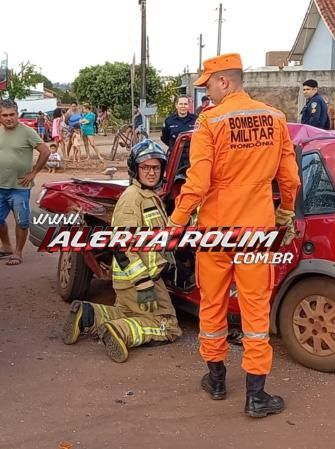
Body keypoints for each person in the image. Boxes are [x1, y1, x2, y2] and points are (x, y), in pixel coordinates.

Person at [169, 53, 300, 418]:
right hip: (256, 231)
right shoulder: (275, 119)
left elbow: (197, 182)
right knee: (256, 309)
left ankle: (217, 380)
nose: (205, 94)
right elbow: (289, 179)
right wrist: (285, 212)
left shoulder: (209, 122)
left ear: (225, 81)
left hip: (215, 232)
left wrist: (176, 222)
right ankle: (256, 396)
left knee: (211, 303)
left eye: (208, 85)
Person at [62, 139, 182, 362]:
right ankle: (121, 332)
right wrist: (143, 283)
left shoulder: (149, 196)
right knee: (168, 325)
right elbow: (122, 245)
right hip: (139, 280)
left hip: (135, 280)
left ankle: (88, 314)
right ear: (135, 169)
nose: (151, 172)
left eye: (156, 167)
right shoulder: (132, 199)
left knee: (129, 313)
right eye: (145, 167)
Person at [0, 99, 50, 266]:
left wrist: (33, 172)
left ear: (17, 114)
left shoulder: (27, 132)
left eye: (12, 114)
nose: (9, 118)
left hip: (20, 187)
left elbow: (45, 151)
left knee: (21, 221)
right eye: (4, 115)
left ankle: (18, 252)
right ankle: (6, 245)